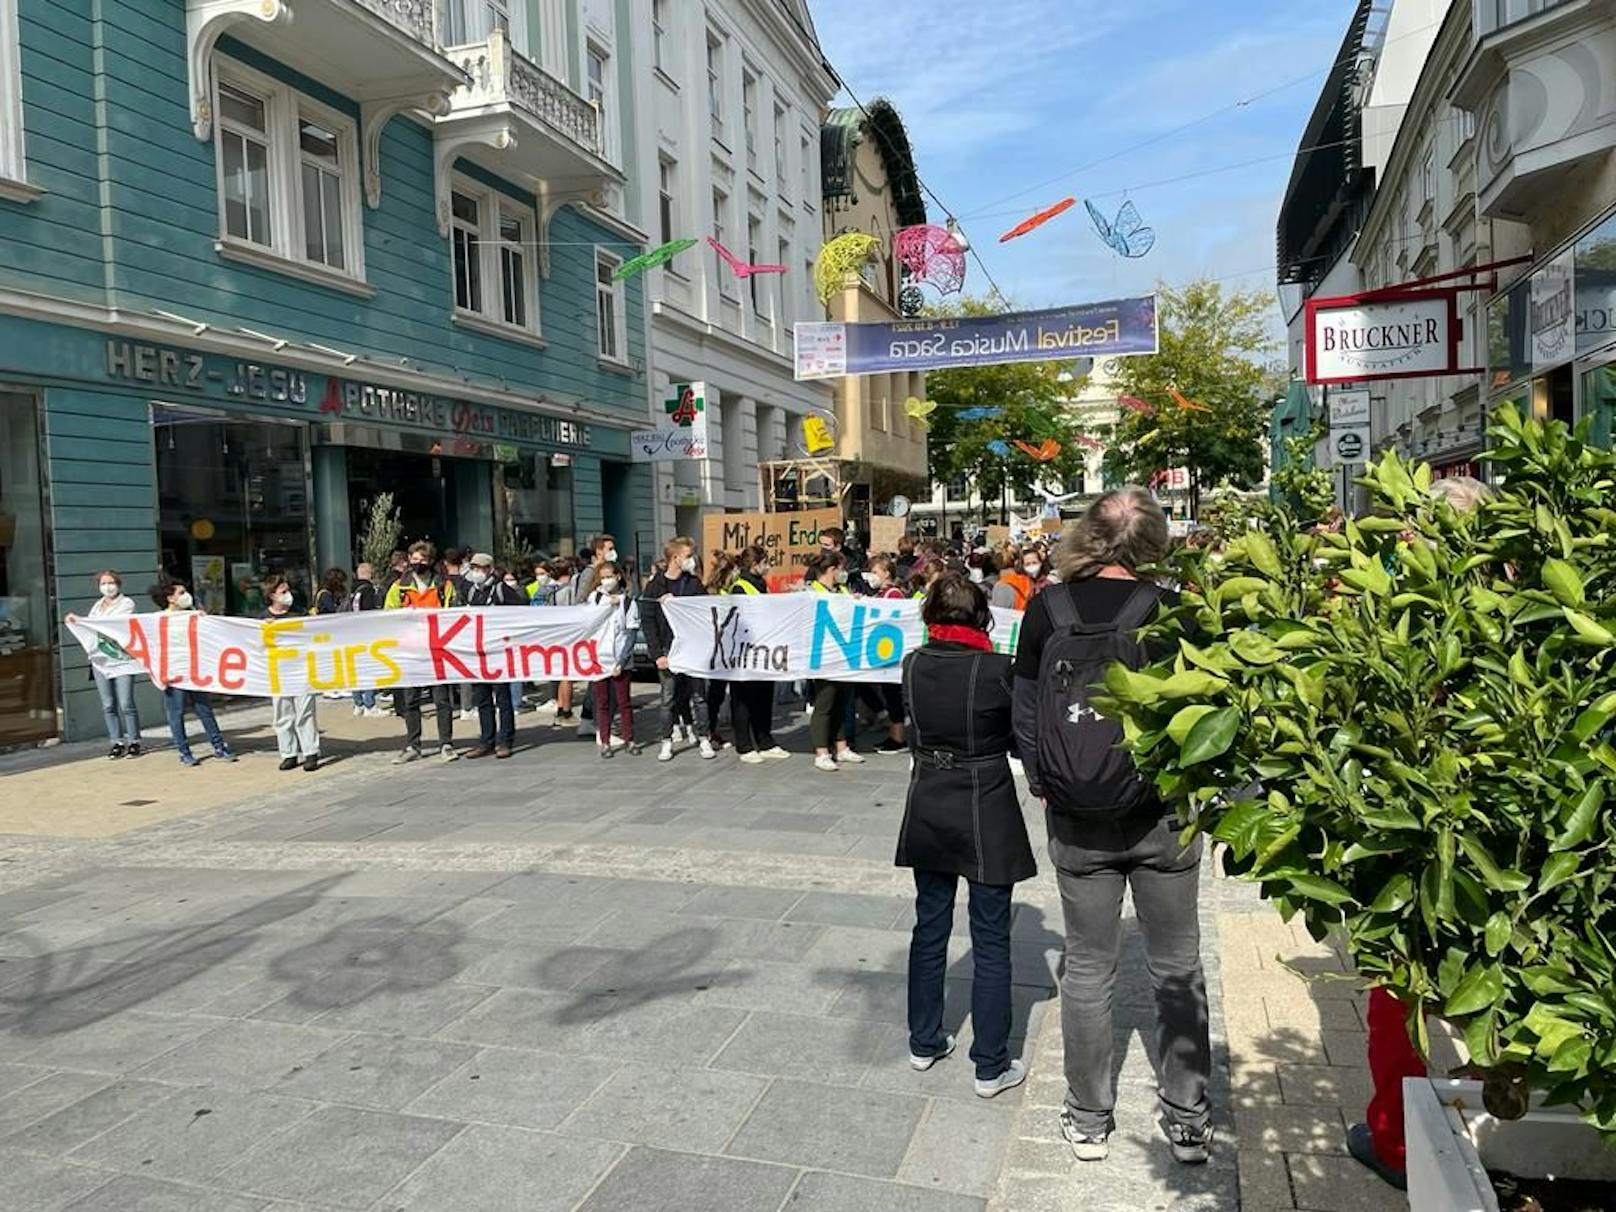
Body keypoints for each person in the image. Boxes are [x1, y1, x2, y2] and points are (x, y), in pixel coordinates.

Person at [1011, 487, 1213, 1166]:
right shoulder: (1172, 610)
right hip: (1163, 816)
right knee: (1177, 963)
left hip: (1077, 818)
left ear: (1086, 535)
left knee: (1089, 969)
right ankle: (1186, 1118)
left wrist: (1047, 781)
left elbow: (1025, 708)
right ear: (1153, 538)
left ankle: (1090, 1119)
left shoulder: (1046, 610)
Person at [1346, 472, 1495, 1191]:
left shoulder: (1396, 611)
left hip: (1413, 829)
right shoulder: (1512, 600)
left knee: (1396, 989)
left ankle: (1400, 1143)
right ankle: (1497, 1121)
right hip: (1494, 829)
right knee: (1493, 978)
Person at [899, 574, 1036, 1098]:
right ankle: (990, 1063)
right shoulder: (999, 668)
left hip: (931, 794)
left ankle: (924, 1038)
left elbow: (911, 727)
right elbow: (1020, 740)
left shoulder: (913, 663)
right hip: (984, 796)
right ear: (982, 618)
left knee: (929, 925)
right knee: (991, 937)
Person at [150, 576, 236, 767]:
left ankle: (219, 745)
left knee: (204, 709)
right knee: (176, 712)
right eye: (180, 593)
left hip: (195, 671)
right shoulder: (158, 619)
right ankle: (184, 751)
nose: (185, 596)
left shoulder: (194, 616)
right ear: (170, 598)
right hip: (173, 673)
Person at [384, 541, 458, 764]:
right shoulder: (399, 587)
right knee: (410, 700)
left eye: (422, 560)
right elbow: (388, 615)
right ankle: (412, 745)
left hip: (437, 649)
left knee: (442, 699)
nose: (418, 563)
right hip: (411, 649)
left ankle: (446, 743)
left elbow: (453, 614)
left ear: (431, 561)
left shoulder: (444, 585)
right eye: (414, 560)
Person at [641, 536, 704, 762]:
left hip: (692, 647)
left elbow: (703, 611)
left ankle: (702, 735)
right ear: (675, 558)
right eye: (688, 556)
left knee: (698, 695)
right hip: (668, 648)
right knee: (667, 697)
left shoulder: (694, 583)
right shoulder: (655, 586)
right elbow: (647, 621)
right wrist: (657, 654)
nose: (692, 560)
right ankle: (666, 740)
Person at [67, 570, 141, 758]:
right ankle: (116, 741)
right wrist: (77, 620)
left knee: (126, 702)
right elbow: (91, 625)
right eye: (103, 583)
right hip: (100, 660)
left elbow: (113, 624)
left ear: (118, 584)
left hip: (122, 659)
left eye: (111, 583)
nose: (107, 587)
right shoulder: (97, 606)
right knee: (108, 703)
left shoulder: (126, 603)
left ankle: (134, 740)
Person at [725, 545, 788, 764]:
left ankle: (765, 741)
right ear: (754, 565)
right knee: (743, 700)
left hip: (764, 652)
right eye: (765, 562)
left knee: (763, 698)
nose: (768, 566)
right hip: (745, 654)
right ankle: (744, 745)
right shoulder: (740, 587)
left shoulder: (760, 585)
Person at [804, 549, 863, 772]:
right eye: (840, 569)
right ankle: (821, 751)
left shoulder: (841, 589)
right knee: (825, 703)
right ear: (832, 570)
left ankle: (842, 746)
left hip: (844, 654)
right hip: (824, 656)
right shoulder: (813, 591)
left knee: (843, 701)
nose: (843, 573)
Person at [461, 553, 523, 759]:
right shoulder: (471, 591)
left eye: (481, 568)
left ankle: (505, 740)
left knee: (502, 697)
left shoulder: (501, 589)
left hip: (498, 652)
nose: (477, 572)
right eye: (474, 567)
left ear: (490, 569)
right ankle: (486, 740)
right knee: (482, 698)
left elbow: (521, 613)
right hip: (478, 652)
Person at [263, 575, 320, 771]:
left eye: (288, 591)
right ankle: (289, 753)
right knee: (282, 714)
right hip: (277, 673)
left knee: (305, 712)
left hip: (302, 670)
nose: (288, 595)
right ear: (272, 596)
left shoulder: (299, 615)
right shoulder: (262, 619)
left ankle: (311, 752)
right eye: (283, 592)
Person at [586, 559, 640, 758]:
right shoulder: (595, 598)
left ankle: (629, 739)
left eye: (610, 576)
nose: (606, 581)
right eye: (603, 577)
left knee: (623, 701)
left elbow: (631, 633)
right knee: (602, 701)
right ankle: (605, 741)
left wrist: (622, 661)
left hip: (620, 659)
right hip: (600, 658)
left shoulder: (628, 602)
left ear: (617, 576)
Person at [862, 556, 909, 756]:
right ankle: (894, 734)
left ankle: (898, 737)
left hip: (891, 653)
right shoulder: (881, 593)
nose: (872, 577)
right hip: (884, 652)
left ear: (886, 573)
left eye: (875, 572)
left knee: (893, 694)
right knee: (889, 694)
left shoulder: (893, 594)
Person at [699, 551, 738, 759]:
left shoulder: (727, 591)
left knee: (718, 692)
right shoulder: (712, 592)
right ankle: (709, 730)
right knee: (714, 693)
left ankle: (713, 729)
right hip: (715, 649)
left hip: (727, 647)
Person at [345, 562, 384, 717]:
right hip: (366, 634)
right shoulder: (368, 590)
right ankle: (370, 703)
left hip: (352, 633)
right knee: (369, 668)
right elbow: (369, 613)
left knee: (356, 670)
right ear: (370, 574)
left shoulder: (352, 590)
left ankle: (358, 703)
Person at [994, 544, 1047, 610]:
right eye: (1027, 564)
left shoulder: (1048, 584)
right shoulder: (1015, 583)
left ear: (1041, 563)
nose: (1032, 566)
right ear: (1022, 565)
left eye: (1034, 562)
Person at [576, 533, 617, 601]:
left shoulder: (612, 568)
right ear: (599, 552)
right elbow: (580, 598)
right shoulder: (590, 571)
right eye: (610, 549)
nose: (613, 552)